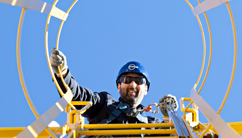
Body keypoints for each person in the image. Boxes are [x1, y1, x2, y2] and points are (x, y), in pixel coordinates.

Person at [50, 49, 178, 128]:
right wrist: (63, 74)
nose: (133, 85)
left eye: (139, 81)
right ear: (118, 86)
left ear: (146, 89)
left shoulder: (153, 124)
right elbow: (78, 97)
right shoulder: (104, 104)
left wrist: (168, 118)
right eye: (127, 80)